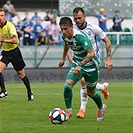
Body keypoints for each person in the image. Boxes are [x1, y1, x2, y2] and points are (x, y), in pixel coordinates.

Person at [66, 7, 113, 118]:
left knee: (88, 88)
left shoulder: (93, 28)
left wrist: (108, 58)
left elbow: (107, 41)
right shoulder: (71, 30)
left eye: (79, 18)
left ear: (85, 17)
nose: (77, 20)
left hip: (92, 61)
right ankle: (82, 110)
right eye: (75, 18)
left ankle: (99, 91)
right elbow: (66, 46)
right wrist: (72, 61)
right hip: (79, 61)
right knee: (82, 83)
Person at [59, 16, 107, 121]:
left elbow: (91, 53)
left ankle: (101, 108)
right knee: (67, 86)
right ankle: (68, 111)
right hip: (77, 64)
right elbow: (66, 45)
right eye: (61, 29)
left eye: (65, 29)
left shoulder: (80, 37)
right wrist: (63, 59)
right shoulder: (65, 36)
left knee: (90, 93)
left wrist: (80, 65)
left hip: (91, 66)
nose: (63, 31)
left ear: (71, 28)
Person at [0, 8, 33, 101]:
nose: (0, 18)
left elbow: (15, 40)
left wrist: (2, 40)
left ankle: (30, 92)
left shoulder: (10, 26)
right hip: (6, 53)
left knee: (21, 74)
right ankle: (3, 91)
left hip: (15, 52)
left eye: (2, 15)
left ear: (5, 16)